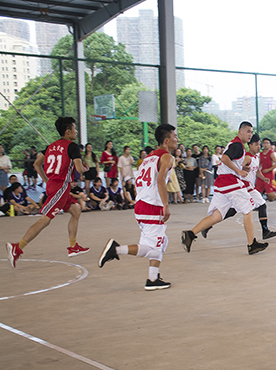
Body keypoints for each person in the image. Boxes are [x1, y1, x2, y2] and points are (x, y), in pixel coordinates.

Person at [98, 124, 178, 290]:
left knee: (161, 242)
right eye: (174, 136)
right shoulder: (167, 157)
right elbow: (160, 181)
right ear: (166, 140)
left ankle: (153, 278)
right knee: (153, 249)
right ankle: (116, 250)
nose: (177, 139)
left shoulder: (148, 158)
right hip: (152, 206)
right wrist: (165, 205)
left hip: (142, 204)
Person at [6, 117, 89, 267]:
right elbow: (78, 169)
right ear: (68, 131)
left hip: (56, 185)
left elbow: (37, 164)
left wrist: (46, 180)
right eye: (75, 129)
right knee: (45, 219)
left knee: (76, 211)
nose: (76, 132)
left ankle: (73, 247)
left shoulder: (50, 147)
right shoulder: (72, 146)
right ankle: (17, 248)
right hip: (61, 187)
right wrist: (85, 168)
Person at [181, 121, 269, 255]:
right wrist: (239, 171)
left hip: (221, 184)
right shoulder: (239, 145)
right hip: (230, 182)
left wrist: (240, 167)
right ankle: (252, 244)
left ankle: (191, 233)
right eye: (248, 131)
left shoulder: (235, 144)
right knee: (248, 209)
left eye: (251, 132)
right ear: (240, 131)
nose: (250, 134)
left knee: (217, 215)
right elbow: (225, 158)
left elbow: (229, 160)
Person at [201, 134, 276, 241]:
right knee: (261, 205)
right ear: (250, 145)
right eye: (256, 144)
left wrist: (263, 177)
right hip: (243, 186)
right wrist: (240, 170)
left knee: (232, 211)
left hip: (247, 187)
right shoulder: (246, 157)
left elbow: (256, 171)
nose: (259, 147)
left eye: (259, 144)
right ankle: (263, 233)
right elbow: (236, 166)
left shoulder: (257, 157)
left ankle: (208, 225)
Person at [256, 138, 276, 209]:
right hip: (261, 174)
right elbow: (259, 165)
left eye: (267, 143)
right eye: (264, 143)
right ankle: (258, 205)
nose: (265, 144)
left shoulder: (271, 153)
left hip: (269, 175)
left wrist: (268, 169)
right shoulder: (261, 154)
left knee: (269, 191)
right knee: (257, 190)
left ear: (270, 145)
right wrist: (257, 171)